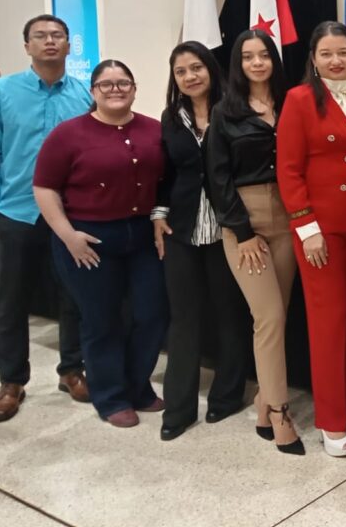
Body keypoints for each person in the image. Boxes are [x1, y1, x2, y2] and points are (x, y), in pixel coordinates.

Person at [33, 59, 168, 428]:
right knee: (101, 319)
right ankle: (110, 397)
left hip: (142, 236)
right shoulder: (68, 134)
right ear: (93, 91)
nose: (115, 89)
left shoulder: (154, 130)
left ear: (134, 88)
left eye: (123, 82)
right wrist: (68, 236)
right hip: (88, 239)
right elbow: (44, 188)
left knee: (152, 314)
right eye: (106, 84)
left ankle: (137, 387)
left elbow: (166, 181)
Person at [276, 21, 346, 457]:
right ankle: (330, 419)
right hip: (321, 231)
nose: (336, 60)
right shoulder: (299, 100)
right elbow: (288, 170)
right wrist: (307, 228)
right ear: (313, 59)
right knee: (329, 323)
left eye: (343, 52)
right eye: (327, 53)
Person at [0, 15, 90, 422]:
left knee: (73, 295)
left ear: (68, 45)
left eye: (57, 35)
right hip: (16, 211)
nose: (49, 41)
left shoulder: (84, 93)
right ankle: (11, 381)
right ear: (27, 46)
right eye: (40, 36)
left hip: (71, 214)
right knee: (11, 300)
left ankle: (72, 369)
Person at [206, 29, 302, 455]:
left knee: (279, 316)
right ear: (238, 64)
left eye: (264, 55)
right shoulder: (225, 112)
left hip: (291, 214)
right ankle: (280, 412)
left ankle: (264, 403)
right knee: (269, 317)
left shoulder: (292, 103)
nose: (257, 63)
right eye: (248, 57)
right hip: (246, 221)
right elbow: (217, 178)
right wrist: (242, 232)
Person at [153, 42, 252, 441]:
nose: (190, 76)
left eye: (196, 67)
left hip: (228, 229)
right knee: (184, 318)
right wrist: (158, 213)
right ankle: (178, 408)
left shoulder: (235, 110)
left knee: (230, 315)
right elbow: (166, 172)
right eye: (181, 71)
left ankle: (227, 396)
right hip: (182, 231)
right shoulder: (170, 117)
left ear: (211, 68)